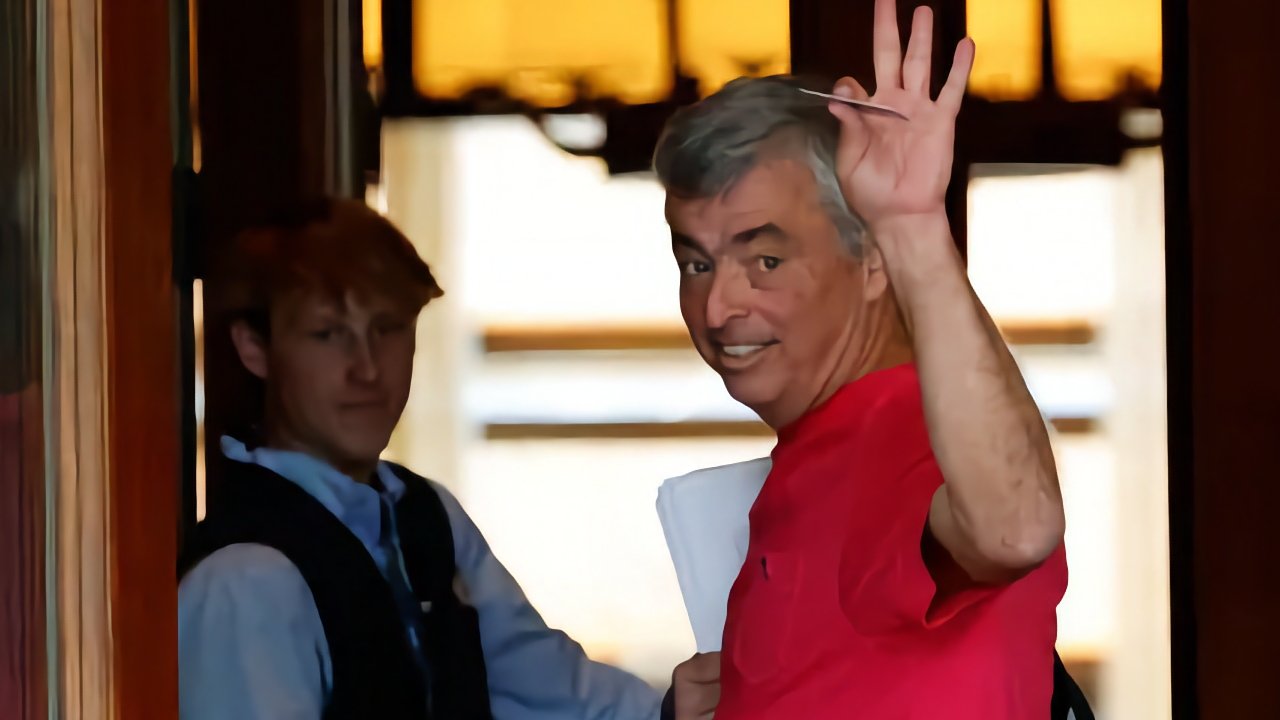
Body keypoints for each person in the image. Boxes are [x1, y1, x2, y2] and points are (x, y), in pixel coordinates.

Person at [655, 1, 1076, 717]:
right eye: (696, 265)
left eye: (766, 258)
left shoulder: (903, 428)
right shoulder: (817, 455)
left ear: (872, 260)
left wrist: (912, 226)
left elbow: (1014, 531)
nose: (719, 307)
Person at [177, 198, 662, 720]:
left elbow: (556, 695)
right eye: (327, 335)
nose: (366, 369)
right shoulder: (244, 583)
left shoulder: (426, 516)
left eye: (386, 329)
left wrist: (687, 706)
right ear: (255, 349)